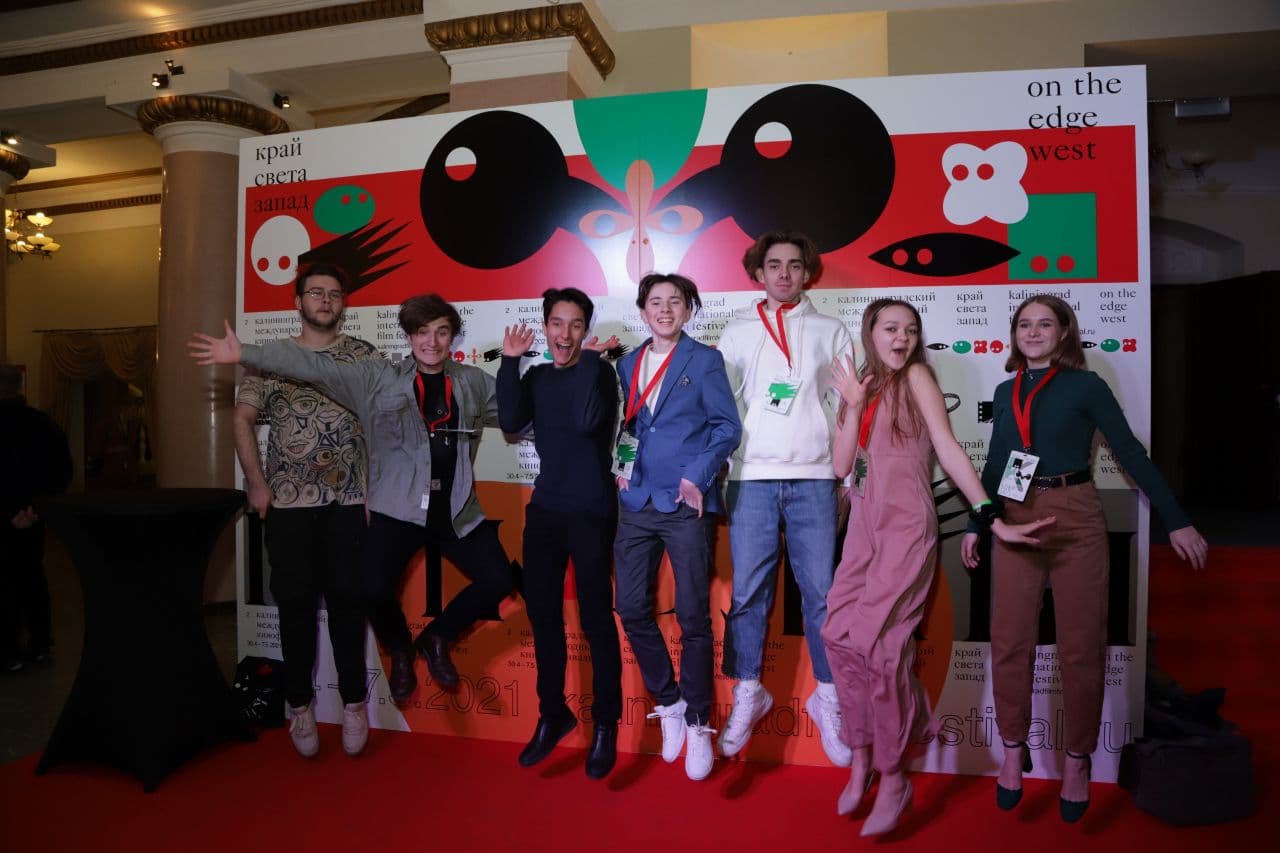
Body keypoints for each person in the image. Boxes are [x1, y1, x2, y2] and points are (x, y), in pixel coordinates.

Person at [190, 293, 517, 716]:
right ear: (409, 337)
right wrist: (245, 353)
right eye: (422, 332)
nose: (432, 342)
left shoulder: (473, 381)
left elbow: (517, 415)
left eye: (441, 332)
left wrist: (523, 368)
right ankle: (400, 648)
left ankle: (438, 638)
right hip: (396, 508)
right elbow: (314, 366)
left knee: (498, 578)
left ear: (452, 336)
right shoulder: (376, 378)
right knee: (370, 588)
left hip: (455, 508)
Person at [961, 294, 1208, 823]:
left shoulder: (1086, 386)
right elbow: (999, 462)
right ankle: (1012, 750)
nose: (1033, 332)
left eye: (1044, 324)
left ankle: (1078, 759)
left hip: (1075, 514)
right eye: (1024, 324)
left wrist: (1176, 517)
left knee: (1081, 647)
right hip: (1015, 514)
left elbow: (1130, 451)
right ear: (1014, 334)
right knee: (1009, 642)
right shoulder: (1006, 391)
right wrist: (978, 523)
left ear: (1064, 332)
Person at [823, 298, 1051, 836]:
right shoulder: (861, 384)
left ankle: (893, 776)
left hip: (906, 525)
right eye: (890, 328)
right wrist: (852, 403)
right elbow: (841, 465)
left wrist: (990, 517)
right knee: (837, 635)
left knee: (881, 648)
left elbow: (948, 448)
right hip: (863, 523)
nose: (901, 338)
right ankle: (861, 755)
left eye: (910, 329)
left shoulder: (918, 377)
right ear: (870, 332)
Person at [232, 263, 381, 757]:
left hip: (348, 505)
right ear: (298, 302)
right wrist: (257, 484)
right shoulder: (270, 357)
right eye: (315, 292)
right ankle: (299, 704)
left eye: (334, 293)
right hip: (288, 507)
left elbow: (383, 423)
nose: (325, 300)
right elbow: (242, 419)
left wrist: (374, 492)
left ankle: (355, 703)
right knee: (295, 608)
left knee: (348, 605)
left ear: (343, 304)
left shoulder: (363, 355)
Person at [716, 230, 853, 766]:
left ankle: (829, 697)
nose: (784, 274)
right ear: (759, 272)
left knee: (821, 595)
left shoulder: (831, 329)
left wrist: (849, 476)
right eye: (774, 265)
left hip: (815, 478)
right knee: (748, 594)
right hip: (750, 478)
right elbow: (720, 410)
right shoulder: (734, 333)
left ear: (807, 273)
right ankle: (749, 690)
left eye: (795, 265)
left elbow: (848, 408)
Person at [612, 273, 741, 781]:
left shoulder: (704, 359)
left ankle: (699, 721)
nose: (664, 309)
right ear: (643, 310)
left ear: (689, 310)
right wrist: (623, 468)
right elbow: (632, 425)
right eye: (655, 302)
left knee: (692, 617)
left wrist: (698, 474)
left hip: (687, 502)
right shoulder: (627, 363)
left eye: (675, 302)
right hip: (636, 500)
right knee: (630, 607)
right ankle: (669, 702)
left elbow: (727, 427)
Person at [496, 287, 623, 780]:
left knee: (595, 619)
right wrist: (510, 362)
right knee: (543, 615)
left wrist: (590, 361)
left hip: (590, 509)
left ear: (585, 329)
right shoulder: (537, 376)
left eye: (575, 324)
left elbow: (588, 421)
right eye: (556, 323)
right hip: (546, 510)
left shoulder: (600, 372)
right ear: (545, 327)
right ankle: (553, 714)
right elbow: (510, 421)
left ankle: (605, 724)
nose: (565, 334)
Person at [0, 365, 73, 675]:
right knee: (32, 576)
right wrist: (36, 509)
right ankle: (40, 643)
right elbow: (62, 471)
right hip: (33, 517)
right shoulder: (43, 424)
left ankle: (7, 650)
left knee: (4, 583)